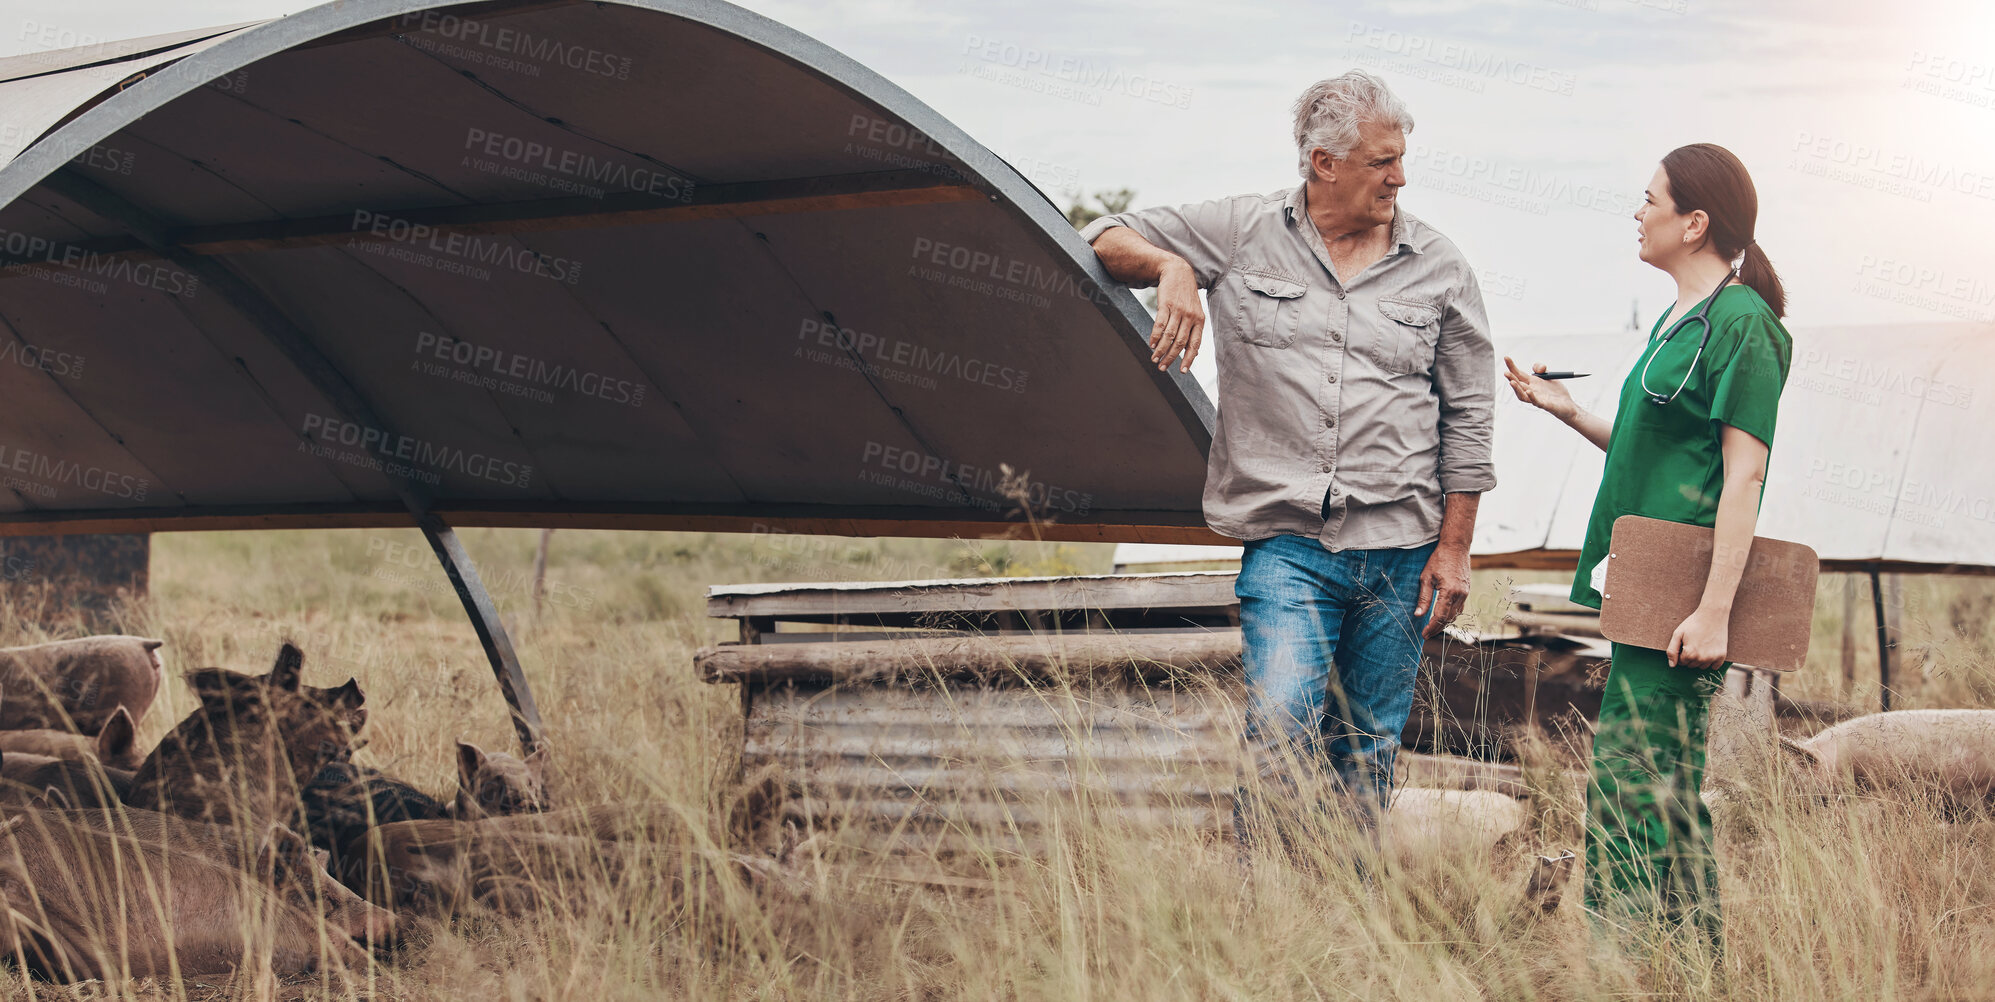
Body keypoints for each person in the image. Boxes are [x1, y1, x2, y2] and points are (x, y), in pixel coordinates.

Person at [1080, 71, 1496, 851]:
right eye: (1380, 162)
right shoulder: (1239, 231)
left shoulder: (1440, 264)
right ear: (1322, 163)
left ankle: (1341, 919)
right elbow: (1102, 235)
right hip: (1287, 548)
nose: (1398, 177)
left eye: (1400, 159)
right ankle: (1263, 917)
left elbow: (1470, 412)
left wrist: (1455, 548)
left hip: (1403, 551)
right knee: (1278, 727)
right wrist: (1174, 268)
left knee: (1365, 749)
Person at [1504, 143, 1791, 945]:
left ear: (1693, 222)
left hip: (1681, 602)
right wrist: (1564, 410)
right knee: (1668, 792)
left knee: (1630, 787)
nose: (1637, 212)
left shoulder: (1742, 325)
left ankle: (1618, 963)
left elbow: (1742, 478)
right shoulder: (1676, 322)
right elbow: (1649, 450)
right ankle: (1690, 972)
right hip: (1643, 586)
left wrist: (1713, 612)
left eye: (1649, 199)